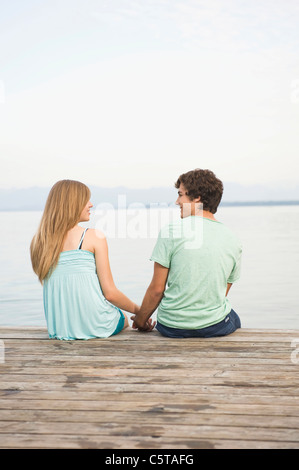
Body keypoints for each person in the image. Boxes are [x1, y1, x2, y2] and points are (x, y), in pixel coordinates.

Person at [131, 169, 242, 338]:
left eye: (180, 195)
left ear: (197, 197)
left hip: (171, 327)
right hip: (214, 326)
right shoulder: (233, 239)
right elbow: (221, 291)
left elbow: (156, 290)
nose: (177, 201)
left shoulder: (171, 230)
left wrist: (140, 320)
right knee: (233, 317)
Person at [30, 179, 141, 340]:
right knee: (123, 317)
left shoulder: (39, 242)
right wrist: (141, 312)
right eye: (85, 200)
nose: (91, 204)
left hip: (61, 329)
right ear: (72, 204)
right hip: (95, 324)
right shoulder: (94, 237)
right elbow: (110, 294)